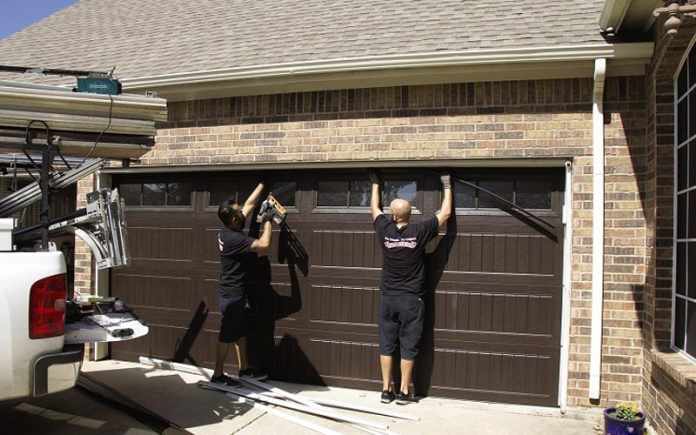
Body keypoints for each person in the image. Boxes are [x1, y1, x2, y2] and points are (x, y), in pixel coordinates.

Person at [369, 171, 452, 405]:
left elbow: (374, 210)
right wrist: (447, 185)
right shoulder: (419, 231)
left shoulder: (384, 230)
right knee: (408, 345)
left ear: (393, 216)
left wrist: (375, 184)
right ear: (410, 214)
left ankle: (386, 390)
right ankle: (404, 391)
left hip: (388, 298)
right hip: (411, 301)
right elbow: (445, 213)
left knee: (386, 344)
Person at [211, 182, 273, 385]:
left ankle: (244, 370)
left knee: (241, 333)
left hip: (235, 292)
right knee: (227, 335)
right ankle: (218, 375)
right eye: (239, 213)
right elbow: (263, 246)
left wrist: (263, 183)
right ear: (235, 220)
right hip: (232, 296)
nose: (243, 212)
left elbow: (249, 203)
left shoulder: (229, 225)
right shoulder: (232, 239)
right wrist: (268, 221)